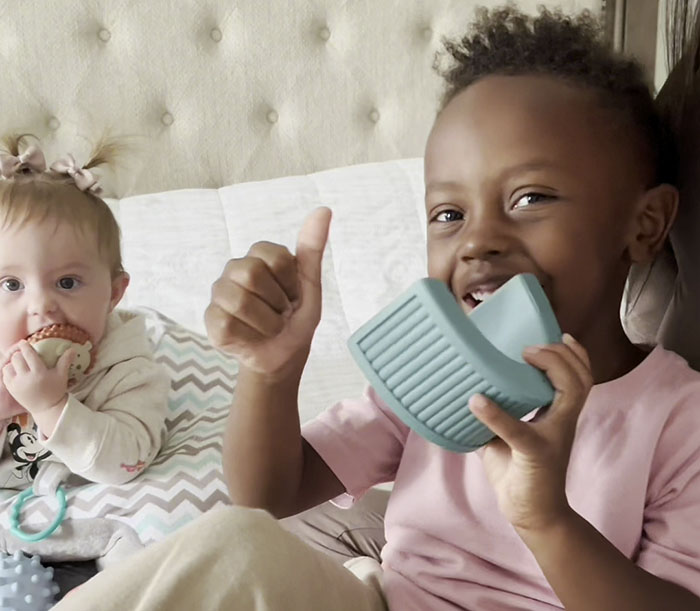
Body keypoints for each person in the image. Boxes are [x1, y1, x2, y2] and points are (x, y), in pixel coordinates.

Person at [54, 6, 700, 611]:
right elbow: (267, 495)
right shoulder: (433, 382)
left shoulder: (679, 417)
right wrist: (274, 369)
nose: (477, 240)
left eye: (530, 198)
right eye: (448, 213)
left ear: (644, 226)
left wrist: (546, 519)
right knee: (234, 543)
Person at [0, 135, 169, 596]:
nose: (41, 307)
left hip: (86, 528)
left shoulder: (125, 363)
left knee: (144, 577)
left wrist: (54, 406)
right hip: (11, 534)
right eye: (10, 283)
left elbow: (128, 458)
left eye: (67, 282)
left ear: (114, 293)